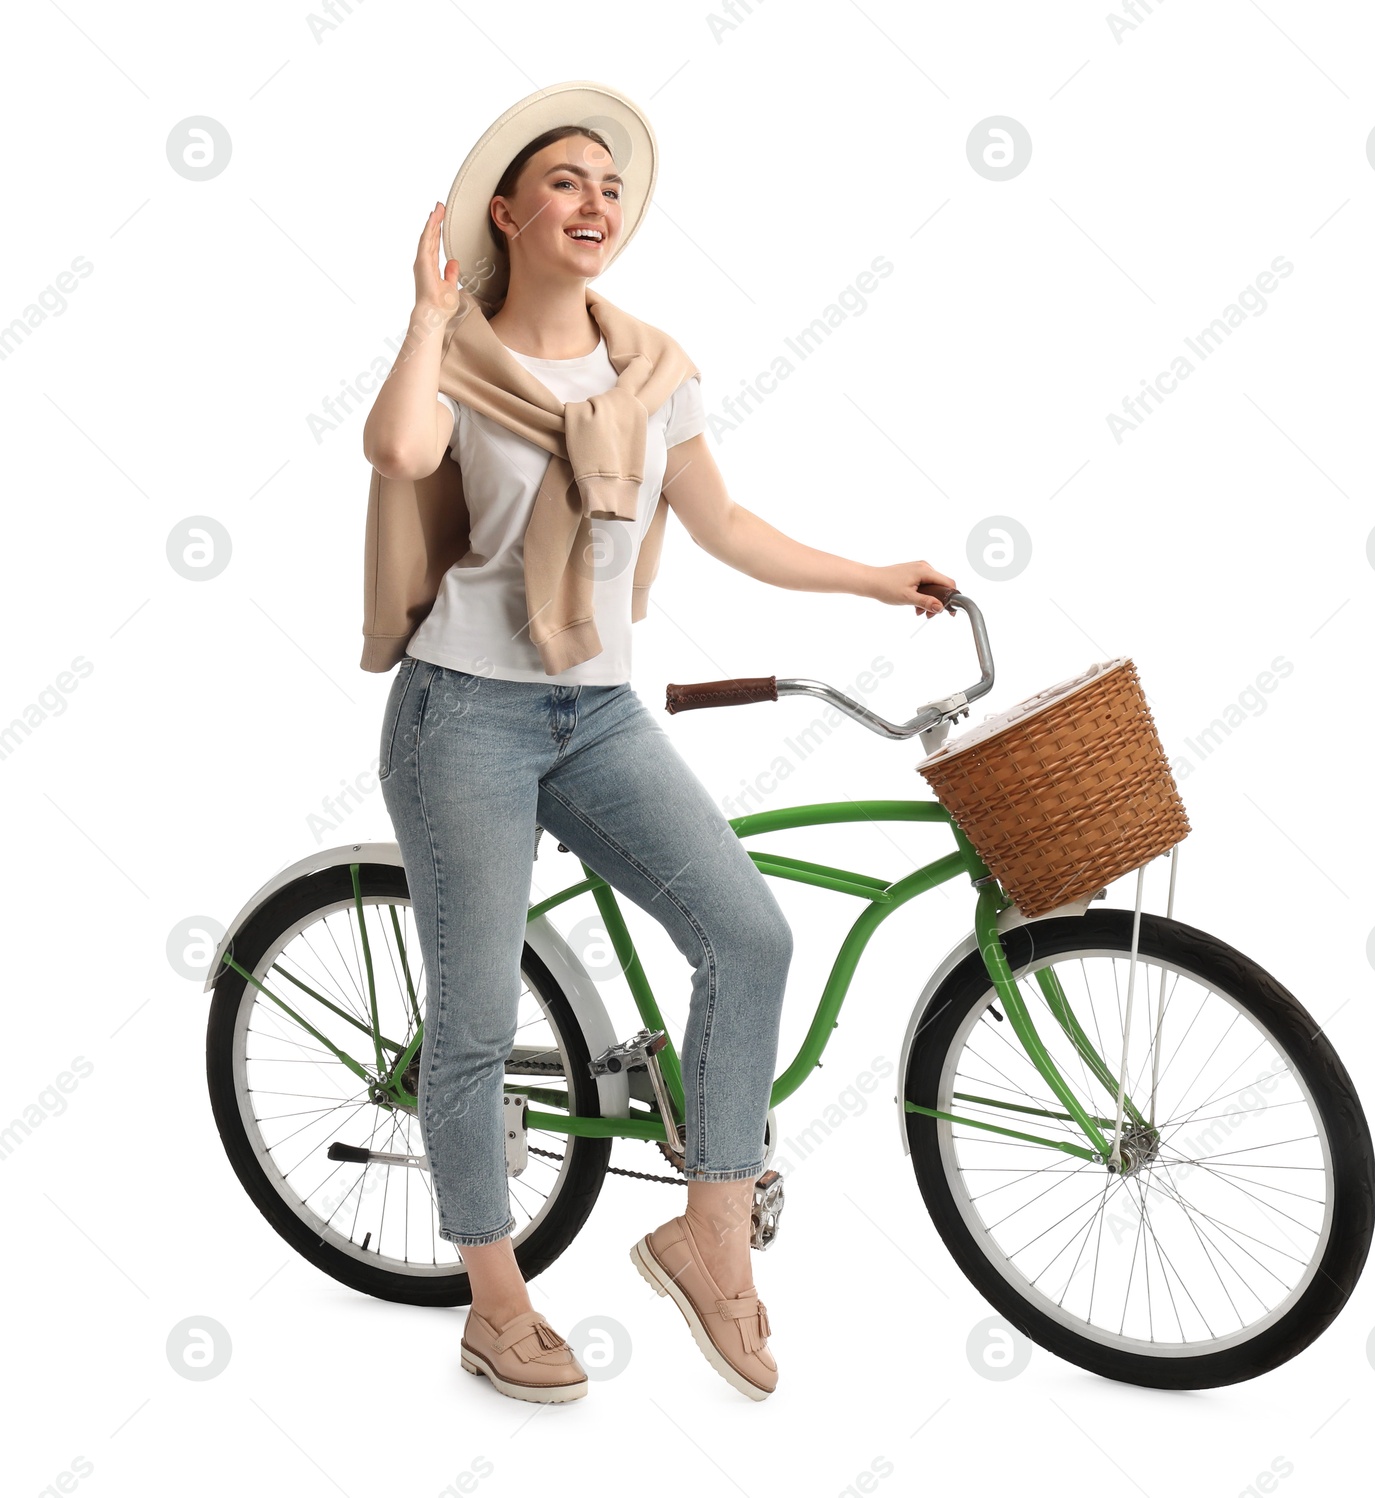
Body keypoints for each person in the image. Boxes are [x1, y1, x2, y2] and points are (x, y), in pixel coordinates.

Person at [362, 84, 954, 1405]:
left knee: (748, 934)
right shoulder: (455, 358)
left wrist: (872, 577)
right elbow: (397, 446)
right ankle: (496, 1304)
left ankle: (709, 1230)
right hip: (464, 714)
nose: (594, 202)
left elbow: (729, 525)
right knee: (467, 1027)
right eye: (564, 183)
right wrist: (420, 312)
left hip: (597, 710)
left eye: (610, 186)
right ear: (506, 216)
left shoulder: (652, 372)